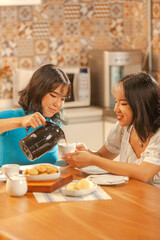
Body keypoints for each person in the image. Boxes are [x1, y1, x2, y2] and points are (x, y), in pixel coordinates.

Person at [63, 72, 160, 188]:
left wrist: (92, 159)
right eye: (116, 101)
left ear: (141, 105)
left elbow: (144, 173)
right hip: (133, 195)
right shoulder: (124, 127)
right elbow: (102, 157)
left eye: (123, 103)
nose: (115, 109)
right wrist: (88, 154)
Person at [0, 64, 71, 167]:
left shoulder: (55, 124)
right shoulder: (11, 117)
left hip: (46, 182)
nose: (58, 104)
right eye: (53, 96)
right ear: (38, 91)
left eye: (62, 99)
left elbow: (49, 164)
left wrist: (72, 161)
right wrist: (21, 122)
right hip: (12, 182)